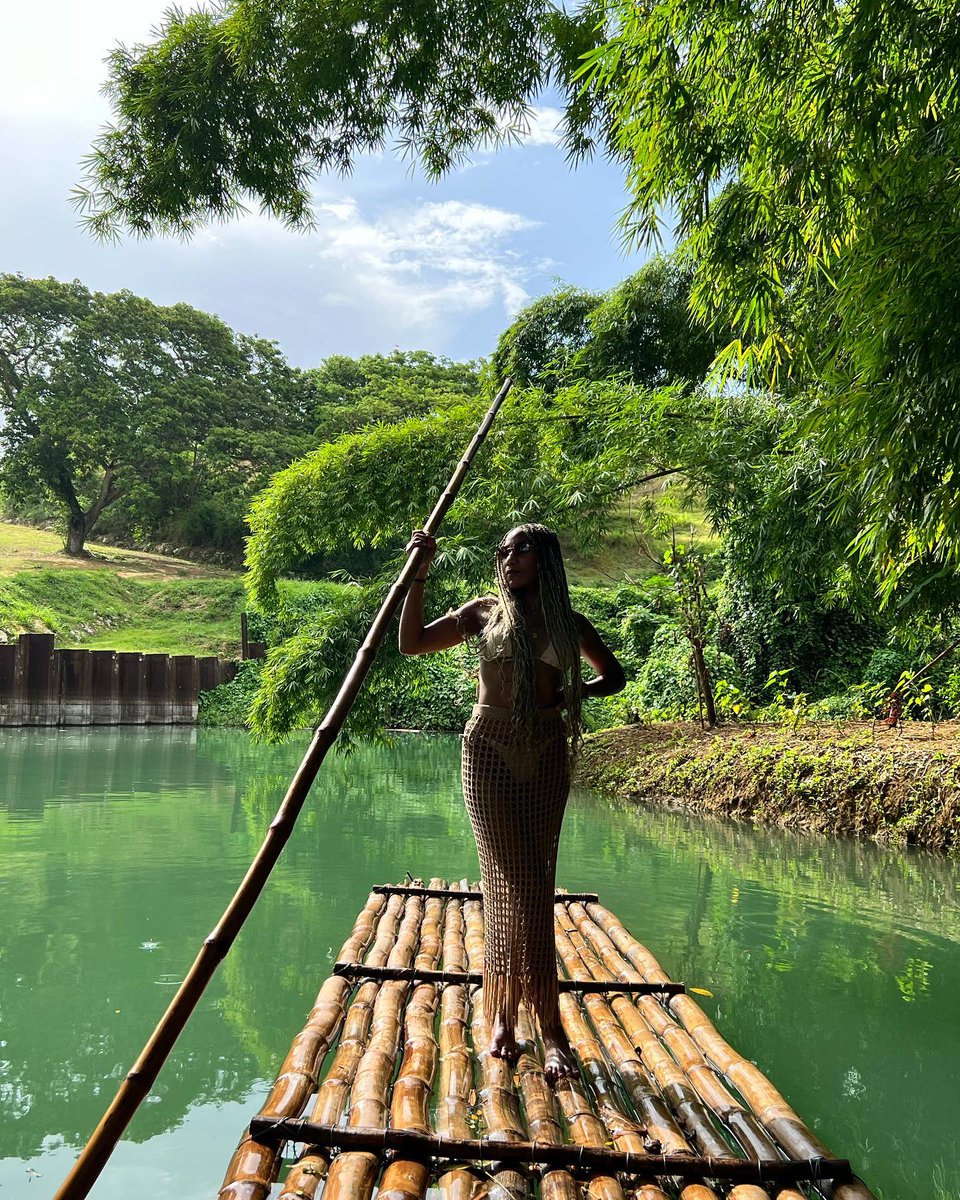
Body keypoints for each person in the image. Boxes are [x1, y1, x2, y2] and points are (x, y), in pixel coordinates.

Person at [399, 523, 626, 1082]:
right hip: (489, 751)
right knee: (515, 883)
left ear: (547, 558)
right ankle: (519, 1021)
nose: (509, 557)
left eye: (522, 548)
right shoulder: (483, 614)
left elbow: (613, 677)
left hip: (547, 753)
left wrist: (573, 695)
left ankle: (529, 1020)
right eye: (503, 549)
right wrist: (418, 572)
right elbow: (411, 643)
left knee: (534, 883)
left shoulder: (570, 626)